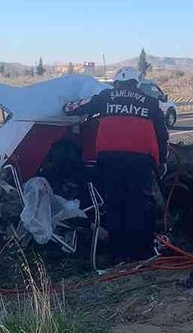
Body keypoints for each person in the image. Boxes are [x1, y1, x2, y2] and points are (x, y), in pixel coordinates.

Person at [64, 67, 168, 264]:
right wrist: (161, 161)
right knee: (137, 205)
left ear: (117, 82)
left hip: (110, 159)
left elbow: (73, 108)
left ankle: (117, 255)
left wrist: (65, 107)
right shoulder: (151, 102)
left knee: (114, 204)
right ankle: (138, 254)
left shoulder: (107, 96)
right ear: (137, 84)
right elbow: (162, 136)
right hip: (140, 161)